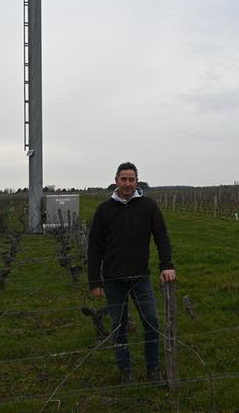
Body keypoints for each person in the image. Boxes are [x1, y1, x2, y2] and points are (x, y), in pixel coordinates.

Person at [87, 162, 176, 384]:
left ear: (137, 181)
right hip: (113, 280)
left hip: (140, 277)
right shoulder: (104, 210)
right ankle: (125, 369)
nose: (127, 183)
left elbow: (161, 236)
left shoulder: (149, 206)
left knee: (152, 322)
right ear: (116, 180)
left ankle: (153, 368)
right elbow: (94, 246)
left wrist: (166, 265)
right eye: (123, 179)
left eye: (131, 179)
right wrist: (94, 281)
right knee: (119, 327)